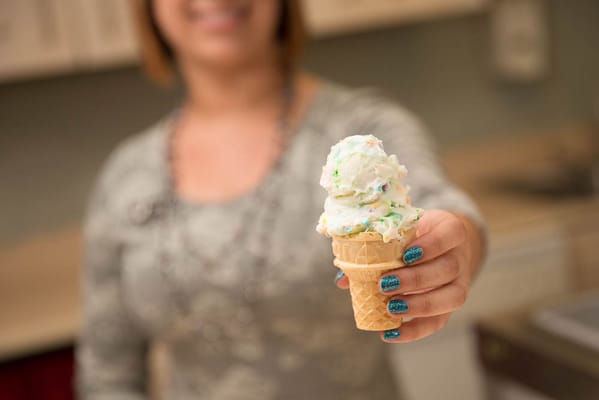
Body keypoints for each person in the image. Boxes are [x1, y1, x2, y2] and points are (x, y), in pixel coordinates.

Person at [76, 0, 486, 399]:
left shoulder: (361, 129)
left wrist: (454, 248)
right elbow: (107, 377)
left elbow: (444, 209)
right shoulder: (126, 176)